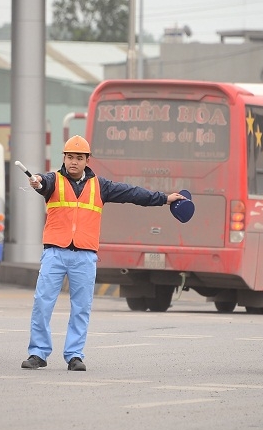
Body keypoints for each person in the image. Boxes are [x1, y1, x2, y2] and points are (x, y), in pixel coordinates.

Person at [21, 135, 187, 371]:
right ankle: (38, 353)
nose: (73, 162)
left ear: (87, 160)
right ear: (64, 158)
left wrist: (164, 199)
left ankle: (74, 355)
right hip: (55, 253)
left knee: (81, 307)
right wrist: (37, 181)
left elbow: (133, 193)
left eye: (79, 158)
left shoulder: (101, 186)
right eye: (69, 157)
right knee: (42, 303)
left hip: (85, 256)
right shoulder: (53, 181)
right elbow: (42, 182)